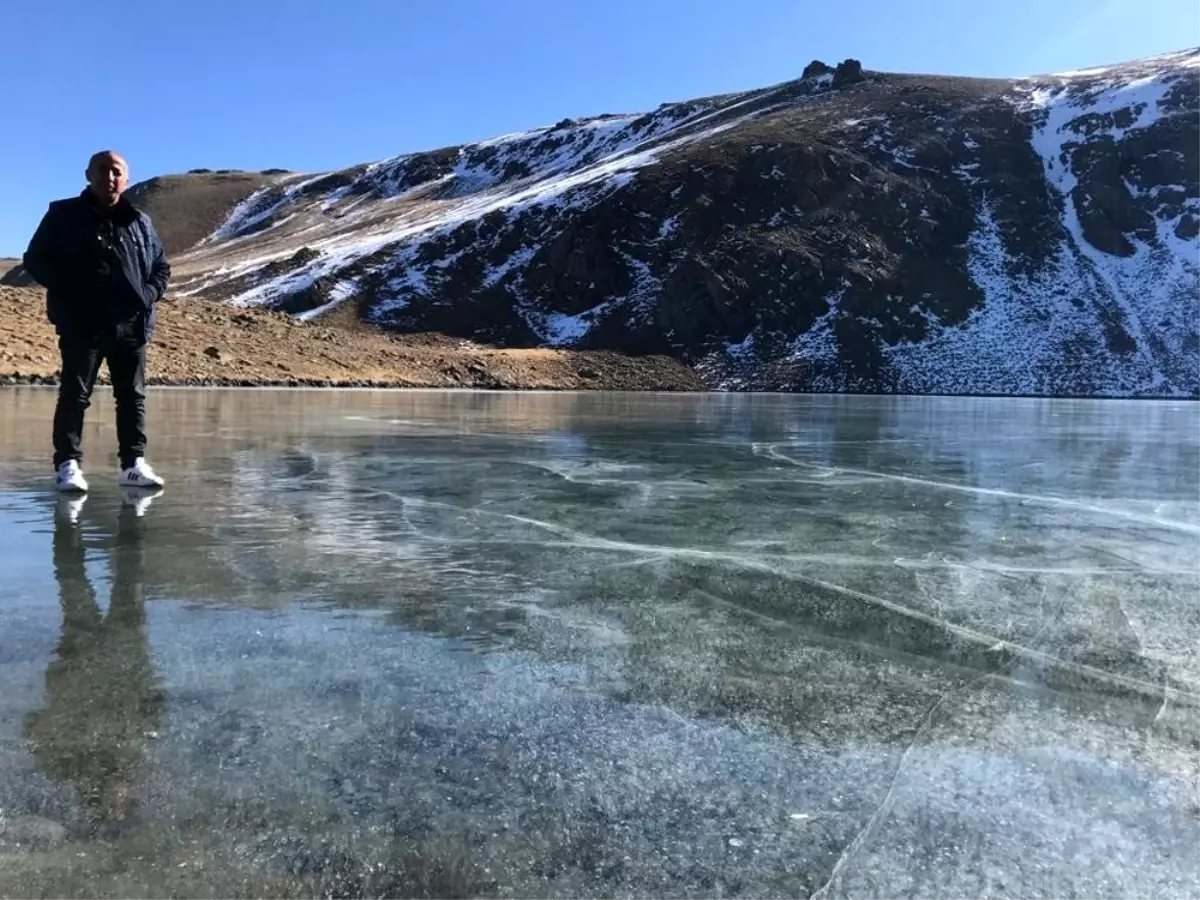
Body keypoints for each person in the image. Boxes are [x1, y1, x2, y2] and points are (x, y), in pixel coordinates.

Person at [22, 150, 169, 493]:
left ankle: (133, 464)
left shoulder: (140, 222)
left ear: (126, 179)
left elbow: (162, 267)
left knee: (132, 396)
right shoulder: (63, 215)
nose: (110, 177)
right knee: (75, 393)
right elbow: (35, 258)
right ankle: (67, 465)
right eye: (102, 171)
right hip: (82, 323)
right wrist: (70, 291)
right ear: (88, 175)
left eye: (116, 171)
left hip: (131, 324)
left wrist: (148, 295)